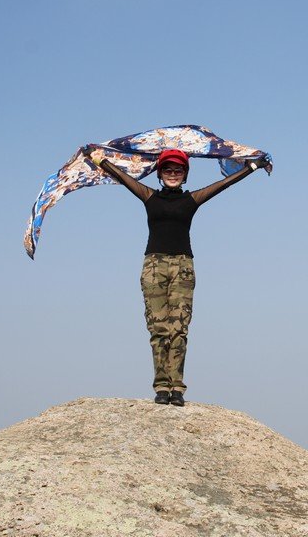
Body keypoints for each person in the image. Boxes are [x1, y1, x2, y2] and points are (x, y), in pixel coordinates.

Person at [93, 149, 266, 406]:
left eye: (178, 170)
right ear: (160, 173)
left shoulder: (191, 200)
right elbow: (122, 177)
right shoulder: (149, 196)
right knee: (158, 329)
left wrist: (252, 167)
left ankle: (177, 388)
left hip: (183, 267)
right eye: (167, 169)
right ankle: (162, 386)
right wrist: (98, 159)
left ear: (185, 175)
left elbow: (223, 184)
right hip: (154, 267)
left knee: (179, 330)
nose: (172, 174)